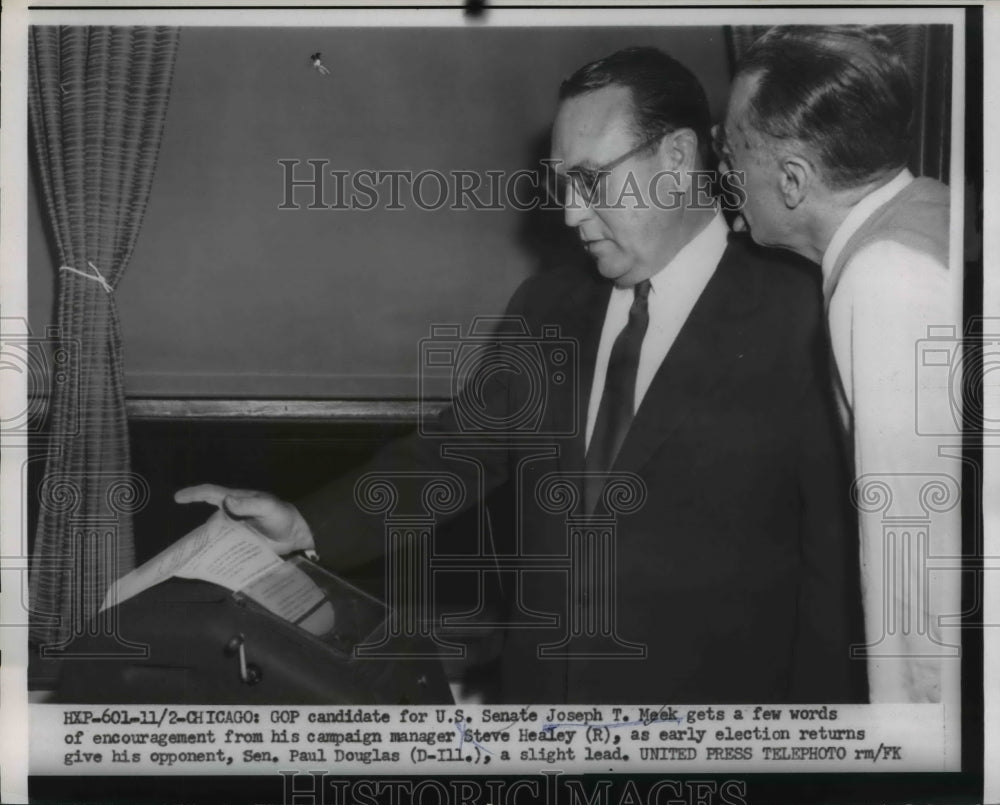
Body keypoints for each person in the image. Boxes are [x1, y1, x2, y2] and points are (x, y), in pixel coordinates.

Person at [178, 47, 865, 704]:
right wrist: (304, 521)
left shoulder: (802, 313)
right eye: (563, 186)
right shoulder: (547, 307)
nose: (570, 214)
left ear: (679, 158)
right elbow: (453, 455)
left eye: (592, 181)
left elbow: (833, 583)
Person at [719, 26, 960, 704]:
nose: (724, 177)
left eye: (731, 152)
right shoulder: (933, 209)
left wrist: (910, 753)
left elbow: (913, 573)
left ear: (792, 180)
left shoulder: (883, 277)